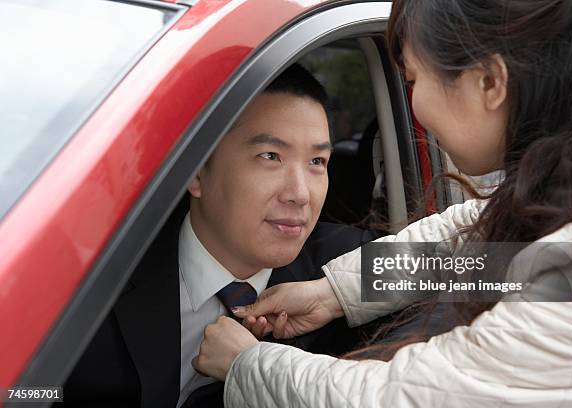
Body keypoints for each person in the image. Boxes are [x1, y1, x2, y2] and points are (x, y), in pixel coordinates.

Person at [193, 0, 572, 406]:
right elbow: (471, 241)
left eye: (412, 79)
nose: (416, 107)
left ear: (489, 81)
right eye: (270, 156)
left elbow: (404, 397)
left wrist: (246, 365)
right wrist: (333, 293)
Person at [60, 64, 377, 407]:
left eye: (317, 161)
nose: (300, 194)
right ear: (195, 171)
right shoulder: (97, 272)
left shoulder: (343, 264)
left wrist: (331, 293)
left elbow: (440, 266)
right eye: (270, 156)